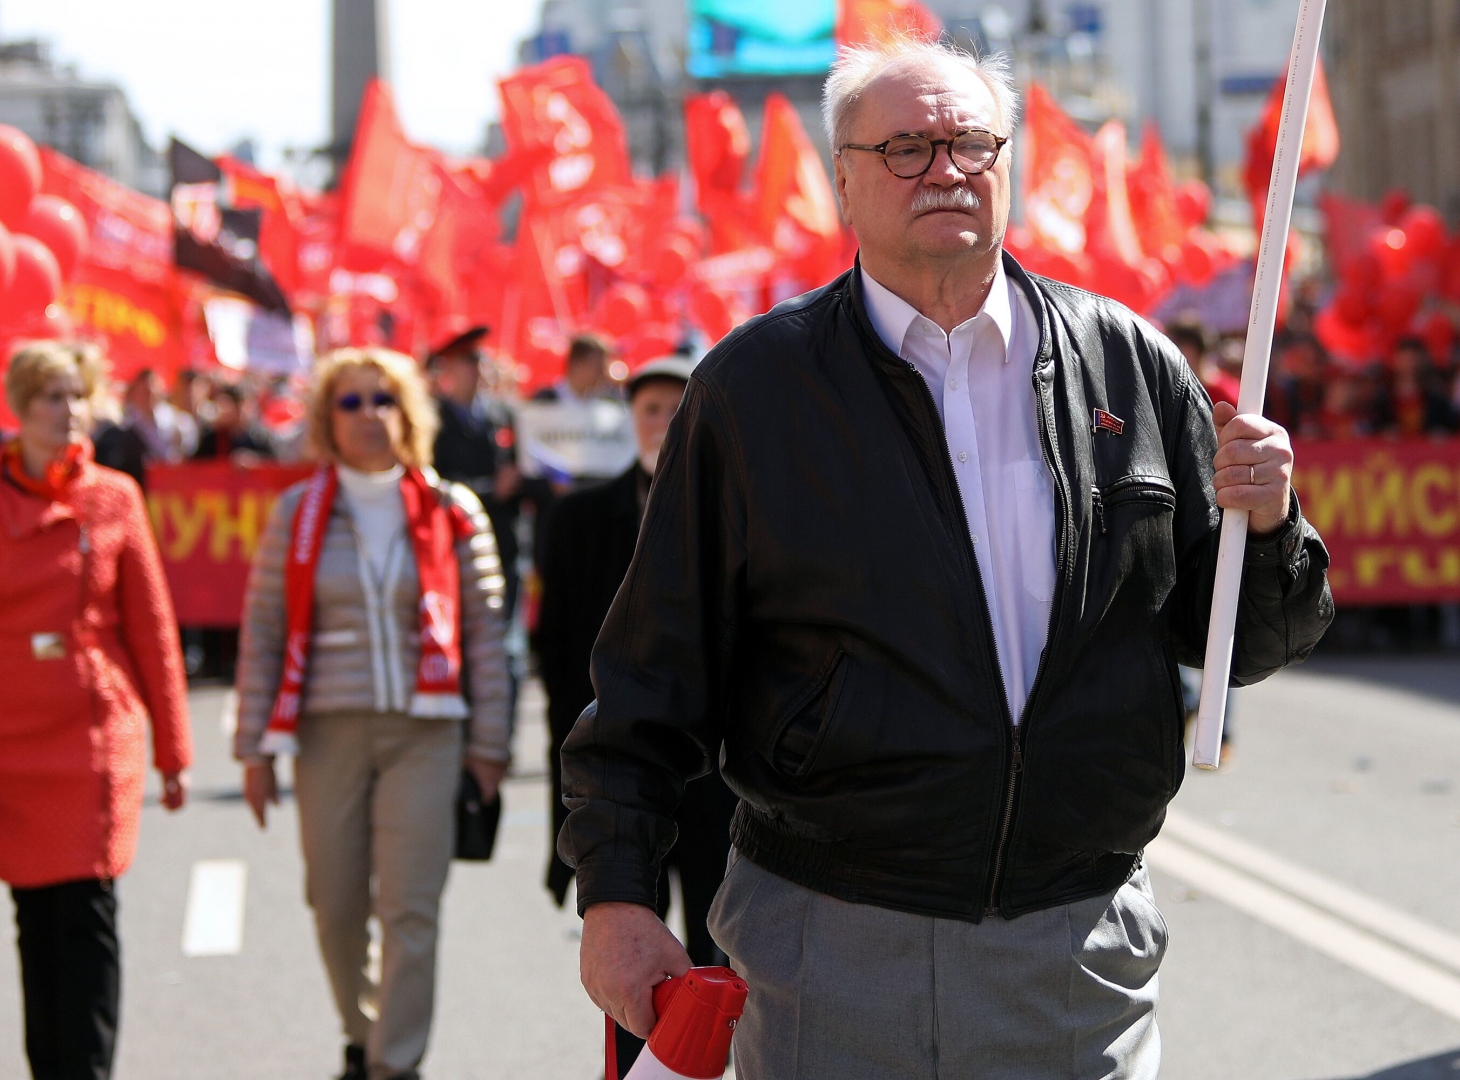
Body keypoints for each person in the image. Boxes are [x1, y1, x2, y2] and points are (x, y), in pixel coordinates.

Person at [561, 36, 1332, 1079]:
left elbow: (1242, 637)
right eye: (908, 147)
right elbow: (649, 676)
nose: (947, 168)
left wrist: (1274, 525)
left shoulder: (1130, 362)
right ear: (842, 179)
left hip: (1074, 941)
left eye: (972, 142)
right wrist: (616, 896)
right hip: (830, 939)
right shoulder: (756, 392)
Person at [235, 348, 511, 1080]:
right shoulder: (297, 514)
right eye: (350, 402)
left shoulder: (454, 510)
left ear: (409, 413)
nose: (368, 415)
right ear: (328, 420)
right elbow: (263, 633)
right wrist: (252, 750)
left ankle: (395, 1063)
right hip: (327, 735)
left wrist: (490, 746)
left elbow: (486, 636)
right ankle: (361, 1032)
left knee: (410, 910)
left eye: (382, 399)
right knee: (334, 905)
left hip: (427, 734)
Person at [0, 341, 193, 1080]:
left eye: (77, 395)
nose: (67, 411)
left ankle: (88, 1070)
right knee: (37, 920)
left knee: (89, 912)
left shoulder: (115, 498)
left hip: (94, 736)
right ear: (19, 405)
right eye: (51, 396)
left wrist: (174, 750)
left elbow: (152, 630)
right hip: (7, 744)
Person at [535, 356, 738, 1072]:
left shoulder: (748, 513)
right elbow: (557, 661)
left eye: (678, 409)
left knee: (720, 963)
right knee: (636, 971)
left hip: (720, 783)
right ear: (630, 420)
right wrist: (571, 797)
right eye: (651, 409)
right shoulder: (579, 519)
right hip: (624, 779)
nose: (664, 422)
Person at [427, 325, 522, 603]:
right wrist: (492, 490)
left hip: (504, 541)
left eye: (479, 360)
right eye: (468, 361)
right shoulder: (433, 420)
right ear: (448, 368)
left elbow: (520, 470)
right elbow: (435, 484)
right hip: (457, 542)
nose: (478, 368)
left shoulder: (504, 414)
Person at [194, 382, 275, 463]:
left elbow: (274, 461)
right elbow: (196, 463)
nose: (222, 410)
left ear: (238, 408)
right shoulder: (211, 439)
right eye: (220, 405)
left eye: (226, 405)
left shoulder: (257, 437)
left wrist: (254, 459)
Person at [530, 334, 622, 404]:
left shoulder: (607, 403)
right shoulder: (545, 401)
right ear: (577, 365)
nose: (604, 374)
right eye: (598, 368)